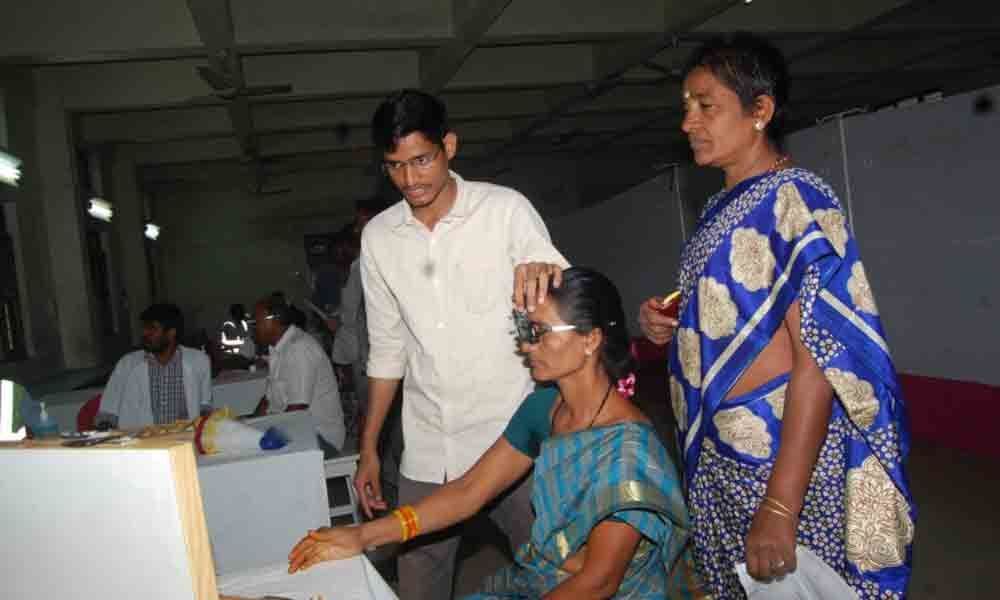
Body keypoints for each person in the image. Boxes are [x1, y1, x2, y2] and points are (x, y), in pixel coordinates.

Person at [638, 34, 915, 599]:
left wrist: (783, 505)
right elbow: (736, 310)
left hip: (782, 465)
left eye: (705, 105)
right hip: (721, 460)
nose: (689, 121)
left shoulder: (796, 200)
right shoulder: (719, 209)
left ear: (759, 111)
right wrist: (671, 319)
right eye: (685, 107)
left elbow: (819, 355)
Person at [289, 267, 689, 599]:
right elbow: (469, 491)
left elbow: (599, 582)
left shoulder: (629, 452)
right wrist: (362, 535)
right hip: (543, 582)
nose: (526, 344)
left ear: (591, 339)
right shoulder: (544, 407)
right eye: (523, 329)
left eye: (538, 331)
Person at [356, 88, 569, 599]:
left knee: (558, 578)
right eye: (395, 166)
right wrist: (368, 448)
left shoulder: (503, 210)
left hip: (512, 445)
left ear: (449, 145)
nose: (410, 180)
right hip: (429, 452)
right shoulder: (380, 239)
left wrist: (547, 274)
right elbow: (388, 351)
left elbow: (559, 287)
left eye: (422, 160)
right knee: (418, 590)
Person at [254, 295, 346, 453]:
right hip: (297, 429)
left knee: (258, 459)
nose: (254, 327)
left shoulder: (299, 349)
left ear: (273, 320)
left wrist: (262, 434)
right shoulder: (277, 350)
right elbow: (267, 401)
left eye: (257, 322)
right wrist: (250, 425)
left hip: (318, 437)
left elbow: (297, 410)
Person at [99, 303, 212, 428]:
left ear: (171, 333)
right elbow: (108, 413)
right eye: (145, 328)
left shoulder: (199, 361)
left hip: (183, 441)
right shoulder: (127, 364)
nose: (145, 333)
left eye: (152, 328)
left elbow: (205, 406)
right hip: (141, 442)